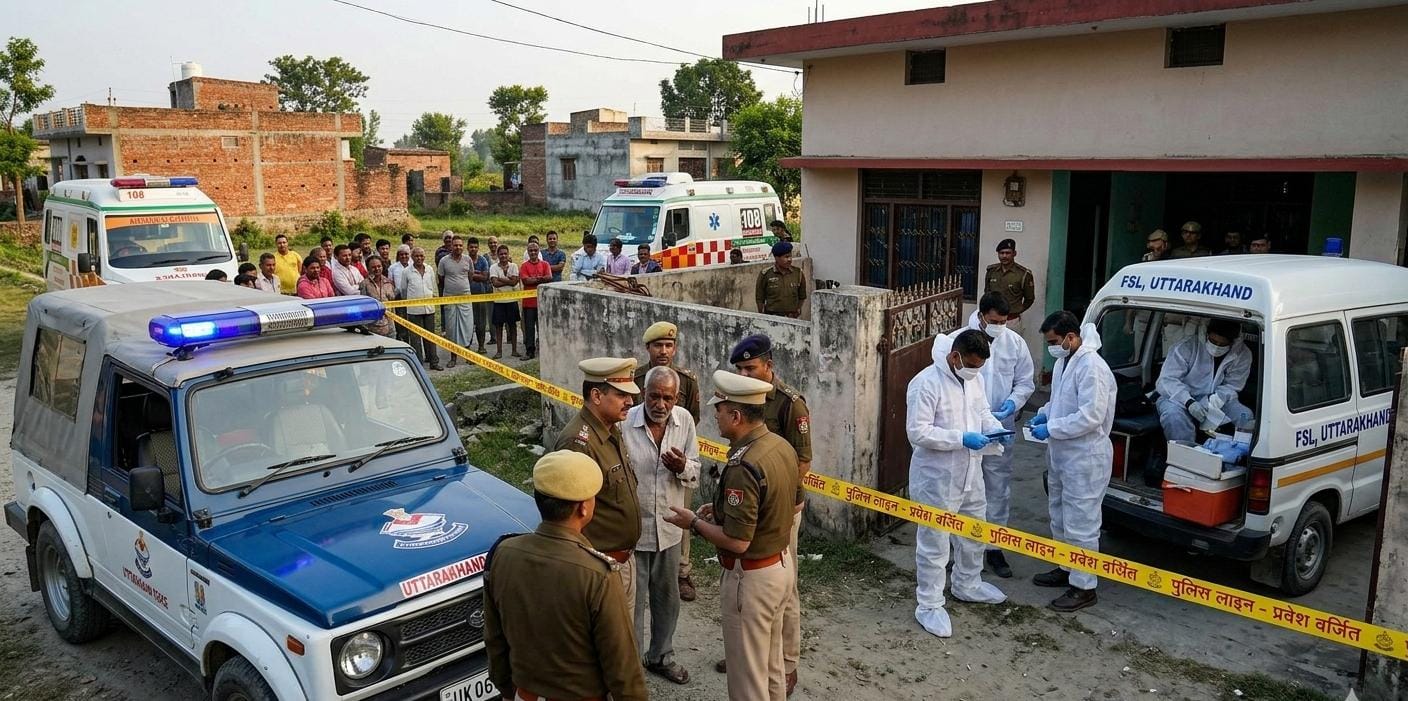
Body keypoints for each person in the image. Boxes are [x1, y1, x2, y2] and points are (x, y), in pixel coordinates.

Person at [663, 370, 800, 701]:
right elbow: (794, 505)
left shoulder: (744, 464)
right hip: (780, 567)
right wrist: (723, 510)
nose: (716, 416)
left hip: (751, 579)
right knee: (770, 670)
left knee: (746, 681)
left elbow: (738, 541)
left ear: (736, 416)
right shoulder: (779, 446)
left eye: (720, 410)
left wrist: (693, 523)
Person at [483, 450, 648, 701]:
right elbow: (622, 666)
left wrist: (507, 690)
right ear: (583, 508)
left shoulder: (502, 554)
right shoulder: (597, 574)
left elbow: (495, 638)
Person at [907, 328, 1010, 638]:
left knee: (974, 531)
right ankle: (929, 603)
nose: (976, 372)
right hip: (936, 478)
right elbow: (919, 432)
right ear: (955, 356)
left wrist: (994, 429)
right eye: (973, 365)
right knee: (935, 542)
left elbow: (981, 411)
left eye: (980, 367)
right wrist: (960, 438)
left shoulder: (972, 379)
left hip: (970, 473)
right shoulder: (925, 383)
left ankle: (968, 583)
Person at [728, 333, 809, 691]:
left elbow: (802, 462)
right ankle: (753, 651)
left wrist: (774, 501)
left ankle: (787, 663)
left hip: (781, 509)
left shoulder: (791, 404)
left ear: (769, 366)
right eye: (740, 369)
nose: (745, 374)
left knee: (781, 585)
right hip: (752, 508)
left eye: (751, 367)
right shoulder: (745, 400)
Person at [1028, 311, 1117, 612]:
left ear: (1070, 337)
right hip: (1062, 453)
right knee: (1060, 515)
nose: (1051, 348)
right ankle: (1066, 566)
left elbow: (1090, 416)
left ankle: (1083, 586)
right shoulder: (1066, 361)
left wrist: (1051, 427)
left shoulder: (1092, 367)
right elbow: (1063, 400)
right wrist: (1044, 413)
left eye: (1054, 341)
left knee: (1082, 523)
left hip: (1085, 457)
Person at [625, 366, 699, 686]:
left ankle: (661, 656)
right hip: (633, 531)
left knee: (666, 601)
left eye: (667, 398)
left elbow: (696, 469)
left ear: (676, 398)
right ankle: (630, 669)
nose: (660, 404)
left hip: (669, 529)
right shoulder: (626, 422)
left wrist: (683, 467)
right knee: (631, 606)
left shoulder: (685, 422)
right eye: (654, 396)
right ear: (644, 393)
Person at [554, 358, 642, 613]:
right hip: (598, 568)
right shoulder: (578, 442)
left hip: (622, 561)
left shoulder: (611, 430)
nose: (630, 402)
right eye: (621, 394)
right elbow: (568, 521)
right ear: (596, 395)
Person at [964, 293, 1035, 579]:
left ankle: (994, 547)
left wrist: (1014, 404)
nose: (999, 326)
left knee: (998, 488)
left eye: (1004, 322)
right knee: (966, 488)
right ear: (981, 316)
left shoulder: (1014, 343)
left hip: (1000, 427)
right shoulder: (961, 340)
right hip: (969, 426)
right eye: (994, 321)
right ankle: (963, 546)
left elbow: (1025, 381)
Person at [1155, 318, 1253, 443]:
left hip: (1217, 399)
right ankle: (1185, 455)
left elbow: (1233, 385)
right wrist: (1189, 402)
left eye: (1222, 344)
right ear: (1207, 334)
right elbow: (1167, 380)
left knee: (1245, 416)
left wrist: (1213, 402)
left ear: (1232, 343)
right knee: (1174, 417)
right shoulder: (1186, 347)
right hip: (1176, 397)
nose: (1217, 347)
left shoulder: (1243, 354)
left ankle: (1237, 453)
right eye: (1213, 341)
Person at [396, 247, 442, 371]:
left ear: (424, 256)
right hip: (414, 310)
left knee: (431, 337)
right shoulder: (407, 271)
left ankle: (433, 361)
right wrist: (410, 303)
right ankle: (419, 364)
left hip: (429, 309)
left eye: (421, 256)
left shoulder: (429, 269)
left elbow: (433, 286)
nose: (419, 258)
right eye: (416, 256)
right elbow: (404, 290)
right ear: (412, 257)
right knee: (415, 338)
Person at [983, 239, 1036, 333]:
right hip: (992, 321)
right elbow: (987, 293)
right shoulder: (991, 271)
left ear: (1014, 253)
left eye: (1008, 253)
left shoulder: (1023, 274)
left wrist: (1017, 310)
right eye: (1001, 253)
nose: (1004, 256)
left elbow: (1029, 299)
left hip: (1012, 321)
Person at [438, 236, 476, 365]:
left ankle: (468, 355)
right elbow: (441, 278)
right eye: (455, 245)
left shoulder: (467, 259)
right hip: (450, 297)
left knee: (467, 326)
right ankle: (453, 358)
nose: (458, 247)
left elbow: (470, 276)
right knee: (451, 328)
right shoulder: (444, 261)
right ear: (451, 246)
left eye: (460, 245)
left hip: (465, 297)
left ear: (463, 246)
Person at [518, 241, 552, 360]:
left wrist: (535, 279)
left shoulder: (545, 264)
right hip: (529, 303)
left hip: (543, 302)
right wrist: (541, 279)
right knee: (529, 328)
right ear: (528, 252)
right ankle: (530, 351)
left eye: (535, 250)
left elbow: (549, 278)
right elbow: (526, 281)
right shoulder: (524, 266)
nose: (533, 252)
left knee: (543, 328)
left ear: (538, 251)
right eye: (531, 250)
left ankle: (545, 350)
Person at [756, 241, 807, 318]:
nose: (789, 259)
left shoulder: (798, 273)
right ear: (777, 258)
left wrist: (797, 309)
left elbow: (802, 296)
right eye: (786, 257)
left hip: (792, 317)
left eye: (790, 256)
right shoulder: (766, 274)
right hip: (773, 317)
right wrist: (763, 316)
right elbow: (760, 298)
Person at [489, 244, 521, 359]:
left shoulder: (514, 266)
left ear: (508, 254)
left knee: (512, 326)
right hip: (499, 301)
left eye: (505, 253)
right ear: (498, 255)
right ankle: (499, 351)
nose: (503, 256)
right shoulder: (493, 267)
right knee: (498, 327)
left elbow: (515, 282)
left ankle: (514, 350)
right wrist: (509, 279)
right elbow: (495, 283)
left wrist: (501, 279)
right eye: (501, 254)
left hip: (512, 300)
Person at [358, 255, 397, 337]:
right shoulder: (364, 284)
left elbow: (393, 303)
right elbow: (364, 307)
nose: (377, 269)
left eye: (379, 266)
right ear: (368, 269)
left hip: (390, 326)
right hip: (373, 328)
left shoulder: (388, 282)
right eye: (373, 267)